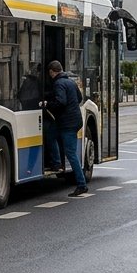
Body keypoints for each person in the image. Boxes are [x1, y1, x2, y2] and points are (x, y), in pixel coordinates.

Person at [44, 60, 88, 196]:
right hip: (73, 121)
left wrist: (47, 104)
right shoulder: (70, 82)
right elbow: (80, 98)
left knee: (71, 154)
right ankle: (57, 163)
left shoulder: (58, 83)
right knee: (50, 135)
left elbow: (60, 102)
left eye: (49, 73)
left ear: (52, 71)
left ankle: (81, 184)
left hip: (67, 123)